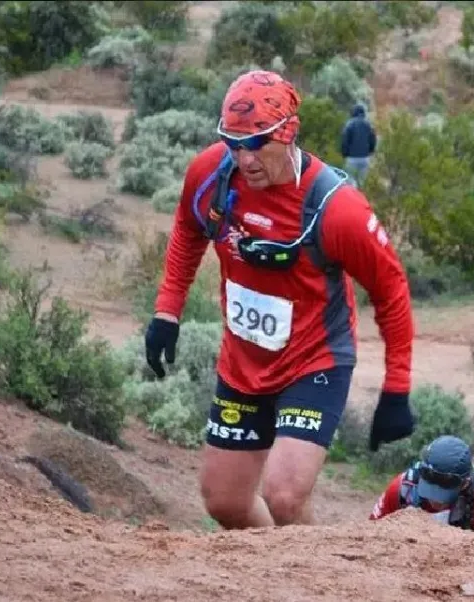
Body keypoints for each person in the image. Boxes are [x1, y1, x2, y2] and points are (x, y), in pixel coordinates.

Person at [144, 70, 416, 530]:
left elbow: (391, 290)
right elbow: (188, 231)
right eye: (233, 142)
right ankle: (281, 574)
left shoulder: (337, 208)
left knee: (284, 495)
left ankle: (321, 583)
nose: (243, 156)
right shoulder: (211, 175)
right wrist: (167, 312)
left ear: (287, 132)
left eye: (257, 143)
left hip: (315, 361)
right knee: (224, 502)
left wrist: (396, 389)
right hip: (243, 361)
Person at [369, 435, 474, 538]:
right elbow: (368, 533)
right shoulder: (403, 489)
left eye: (443, 492)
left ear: (464, 484)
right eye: (429, 489)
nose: (435, 500)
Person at [339, 103, 377, 187]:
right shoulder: (368, 125)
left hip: (352, 158)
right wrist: (370, 151)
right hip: (365, 158)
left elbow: (345, 140)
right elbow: (373, 139)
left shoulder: (349, 124)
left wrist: (344, 153)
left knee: (350, 182)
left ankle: (351, 199)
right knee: (362, 183)